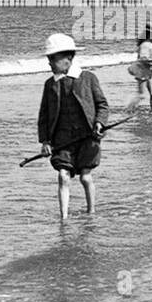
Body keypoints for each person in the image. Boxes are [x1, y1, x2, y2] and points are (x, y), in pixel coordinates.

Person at [38, 33, 108, 219]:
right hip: (62, 139)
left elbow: (102, 104)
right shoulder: (49, 85)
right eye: (49, 58)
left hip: (87, 137)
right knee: (63, 175)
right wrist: (45, 141)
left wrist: (100, 123)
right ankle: (64, 217)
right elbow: (44, 115)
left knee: (85, 177)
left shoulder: (88, 78)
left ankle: (91, 212)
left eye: (53, 58)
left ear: (68, 58)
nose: (50, 63)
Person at [127, 33, 152, 110]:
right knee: (142, 94)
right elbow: (143, 58)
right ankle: (129, 109)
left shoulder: (151, 44)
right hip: (142, 72)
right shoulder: (145, 45)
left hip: (149, 72)